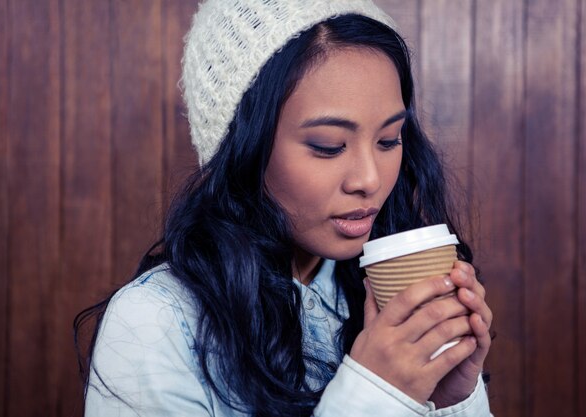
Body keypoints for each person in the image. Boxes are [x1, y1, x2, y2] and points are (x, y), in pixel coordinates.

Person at [76, 0, 493, 416]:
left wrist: (450, 400)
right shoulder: (158, 323)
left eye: (388, 140)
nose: (369, 179)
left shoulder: (382, 297)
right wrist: (376, 394)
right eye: (328, 146)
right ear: (242, 149)